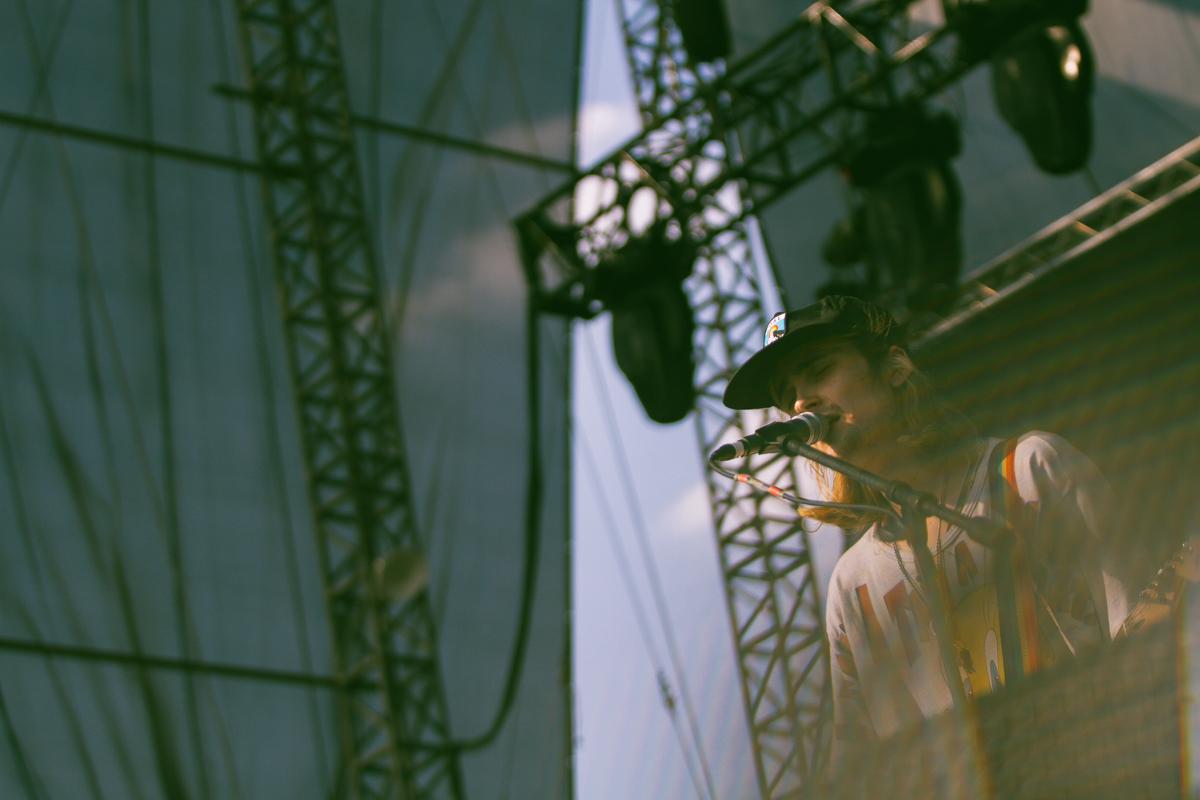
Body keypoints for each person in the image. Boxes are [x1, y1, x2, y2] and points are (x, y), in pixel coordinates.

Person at [721, 295, 1135, 768]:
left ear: (895, 366)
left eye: (817, 369)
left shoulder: (1030, 469)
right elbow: (864, 771)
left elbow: (1140, 621)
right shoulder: (850, 586)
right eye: (785, 394)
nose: (798, 401)